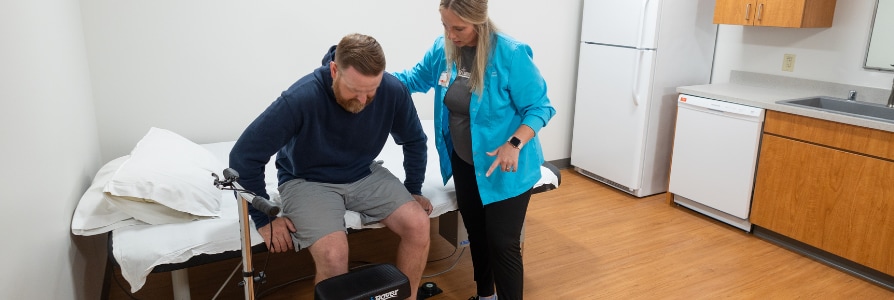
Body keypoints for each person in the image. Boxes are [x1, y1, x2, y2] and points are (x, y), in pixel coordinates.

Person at [229, 33, 433, 300]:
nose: (363, 100)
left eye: (371, 91)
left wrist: (413, 188)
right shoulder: (301, 98)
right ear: (335, 70)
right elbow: (243, 157)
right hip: (306, 181)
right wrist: (263, 217)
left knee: (418, 225)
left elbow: (415, 140)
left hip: (363, 172)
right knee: (334, 255)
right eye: (356, 90)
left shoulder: (393, 90)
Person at [392, 1, 556, 299]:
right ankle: (485, 296)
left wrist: (514, 143)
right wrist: (370, 78)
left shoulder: (510, 53)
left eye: (459, 28)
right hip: (465, 161)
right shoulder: (442, 50)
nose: (451, 35)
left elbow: (540, 108)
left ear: (478, 22)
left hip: (505, 166)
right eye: (445, 25)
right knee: (477, 236)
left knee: (502, 243)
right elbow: (412, 80)